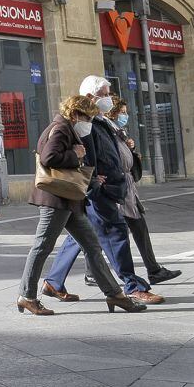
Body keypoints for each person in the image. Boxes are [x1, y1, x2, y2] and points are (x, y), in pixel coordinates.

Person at [16, 95, 145, 315]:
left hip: (68, 200)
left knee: (92, 245)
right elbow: (48, 158)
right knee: (42, 246)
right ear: (75, 114)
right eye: (87, 117)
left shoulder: (67, 128)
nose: (89, 122)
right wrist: (75, 155)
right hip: (56, 199)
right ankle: (27, 296)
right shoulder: (61, 129)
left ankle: (115, 294)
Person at [43, 76, 164, 305]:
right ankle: (132, 286)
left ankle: (53, 281)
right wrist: (95, 183)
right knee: (115, 232)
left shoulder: (101, 121)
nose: (110, 98)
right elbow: (84, 154)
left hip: (106, 186)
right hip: (100, 189)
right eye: (106, 94)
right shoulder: (87, 124)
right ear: (91, 97)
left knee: (81, 237)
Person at [107, 98, 181, 285]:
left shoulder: (118, 131)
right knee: (97, 233)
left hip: (127, 188)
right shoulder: (107, 131)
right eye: (123, 112)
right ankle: (90, 272)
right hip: (117, 189)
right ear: (113, 112)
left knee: (138, 226)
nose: (126, 115)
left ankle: (154, 270)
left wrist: (130, 149)